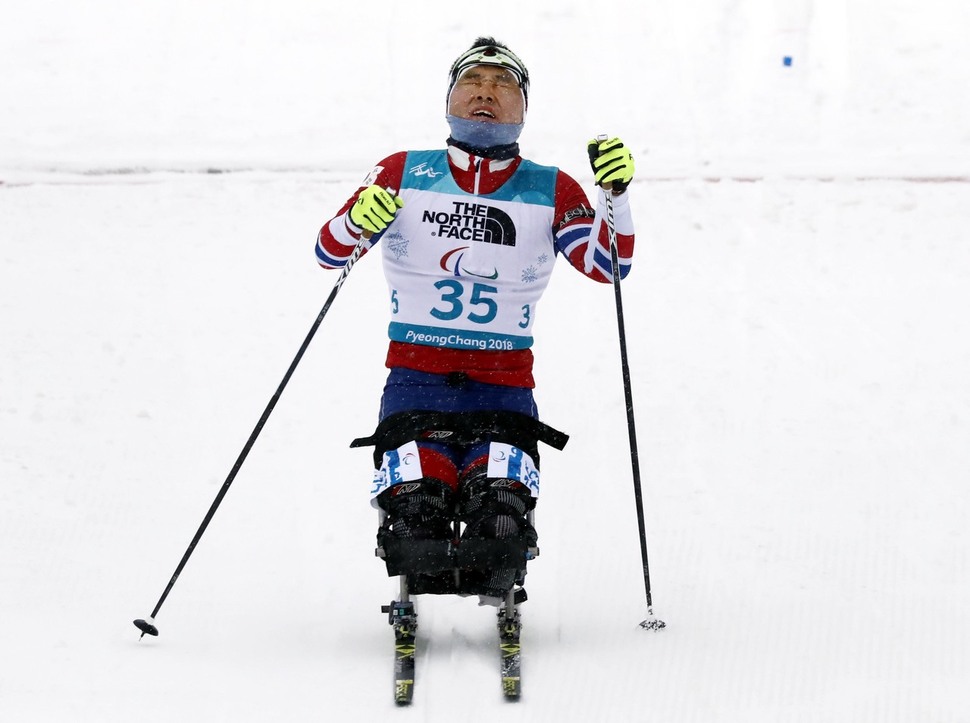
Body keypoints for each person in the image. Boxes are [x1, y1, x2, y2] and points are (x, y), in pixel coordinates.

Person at [316, 37, 635, 603]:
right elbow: (329, 253)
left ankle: (497, 572)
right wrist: (356, 221)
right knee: (414, 513)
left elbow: (606, 266)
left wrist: (617, 196)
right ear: (449, 99)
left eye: (503, 85)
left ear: (523, 109)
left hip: (504, 383)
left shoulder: (551, 187)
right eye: (473, 83)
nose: (486, 93)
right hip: (416, 377)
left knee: (501, 517)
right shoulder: (402, 171)